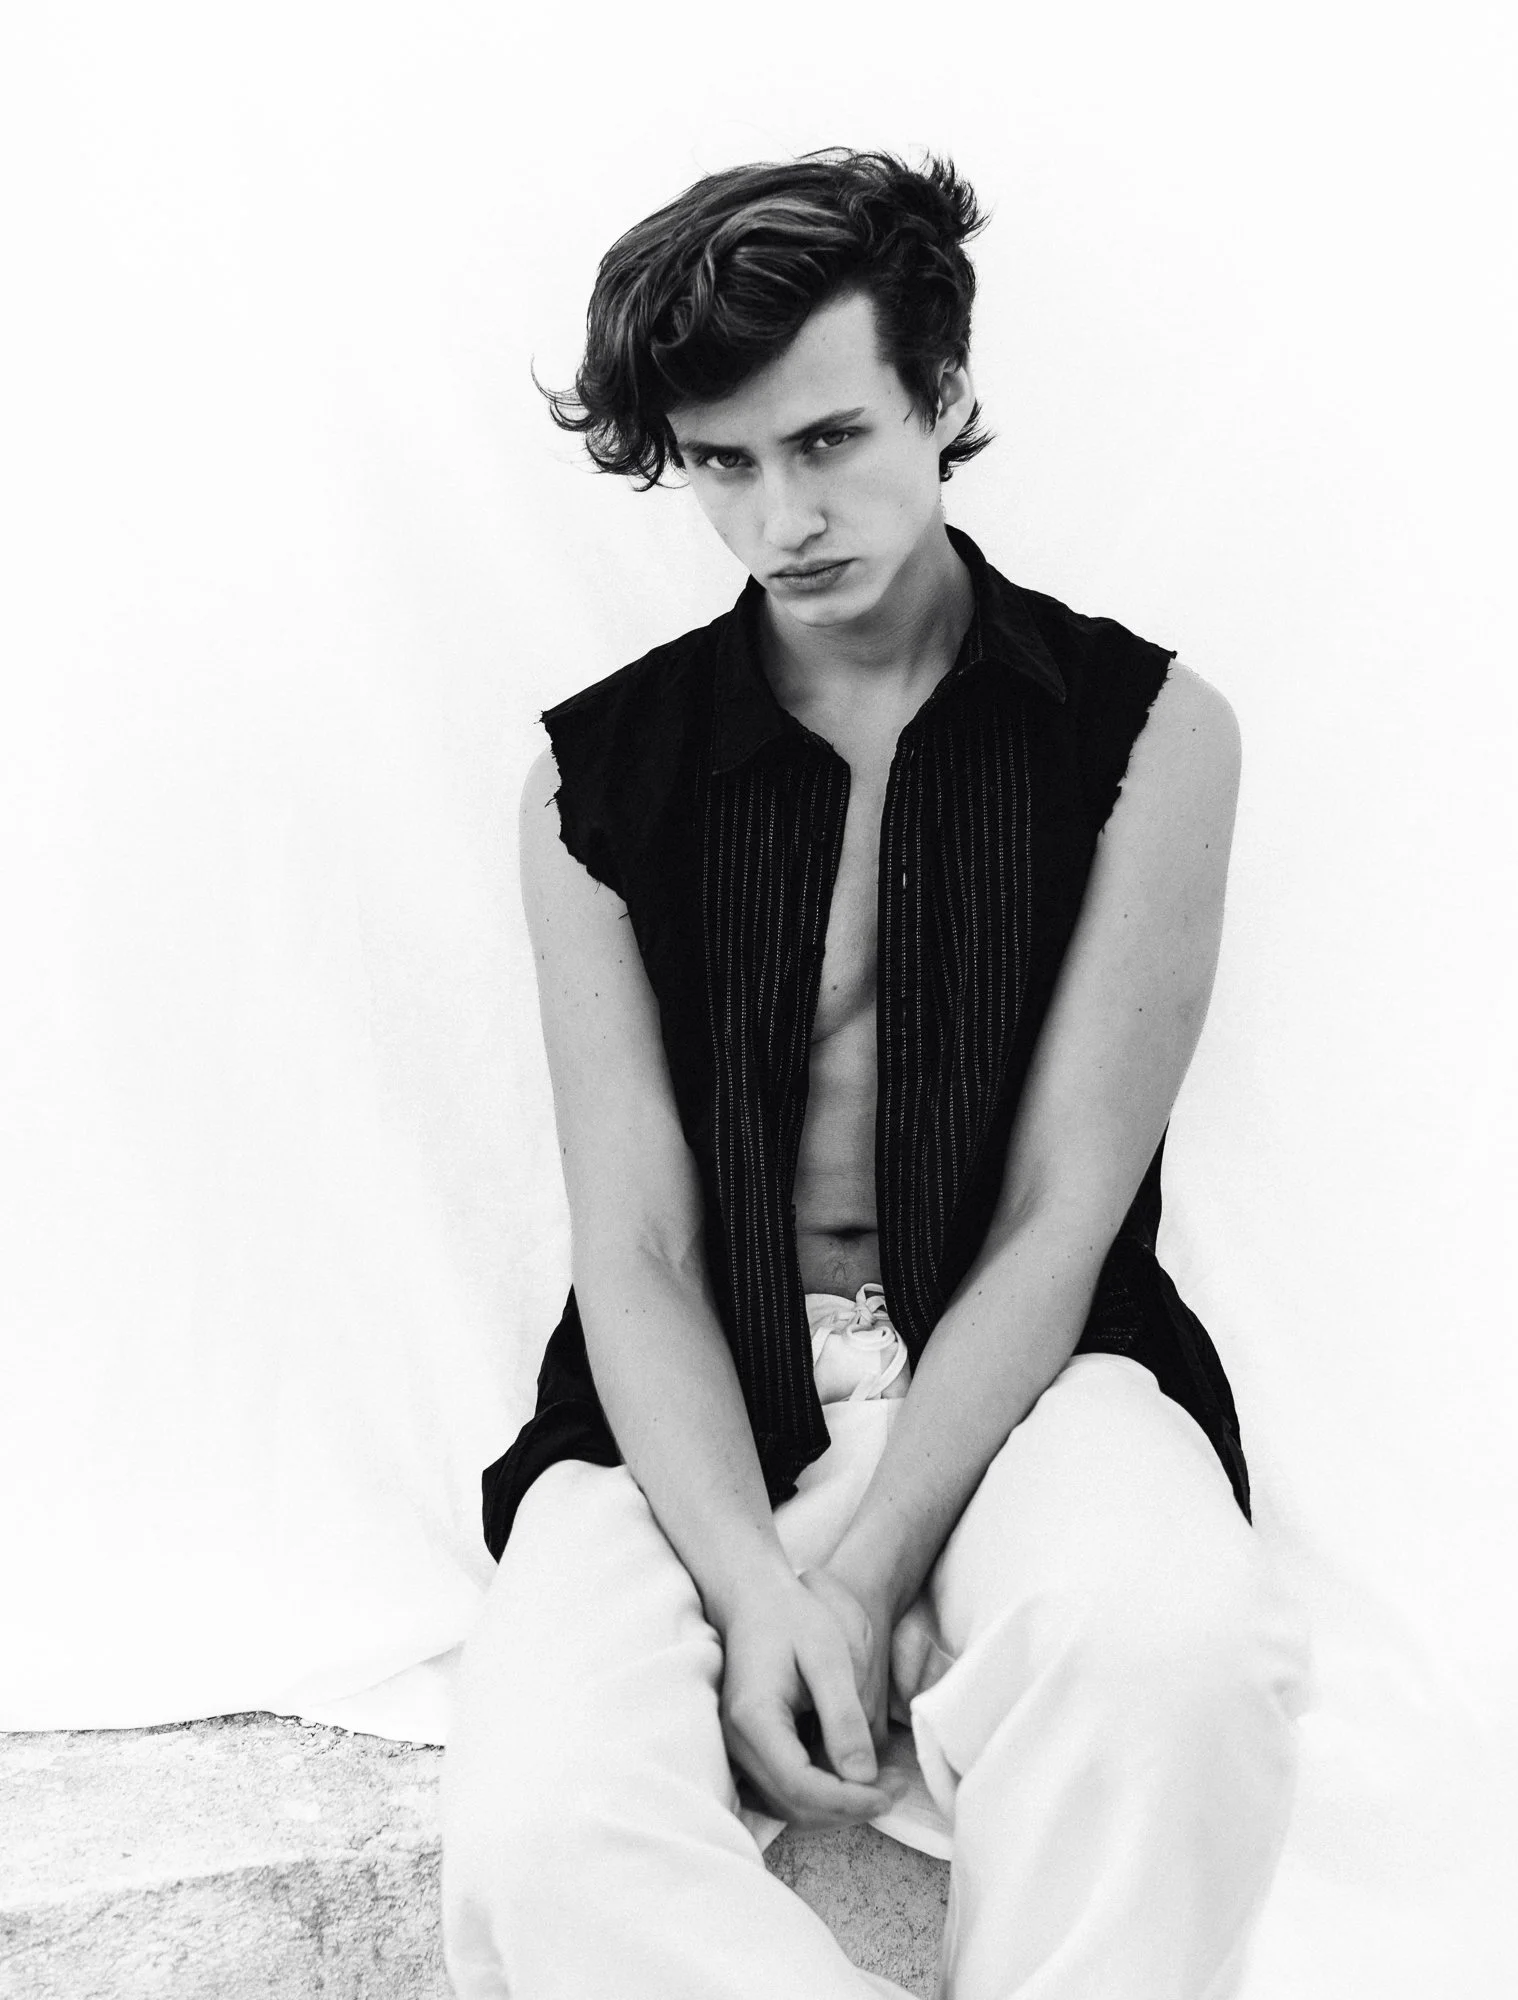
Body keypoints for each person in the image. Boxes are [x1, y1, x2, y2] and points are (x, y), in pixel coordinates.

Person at [441, 149, 1313, 2000]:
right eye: (725, 464)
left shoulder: (1145, 733)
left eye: (830, 439)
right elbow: (639, 1250)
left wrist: (871, 1562)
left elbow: (1064, 1204)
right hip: (693, 1395)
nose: (784, 517)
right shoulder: (594, 781)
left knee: (1176, 1665)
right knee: (542, 1832)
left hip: (1031, 1365)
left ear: (944, 394)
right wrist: (756, 1583)